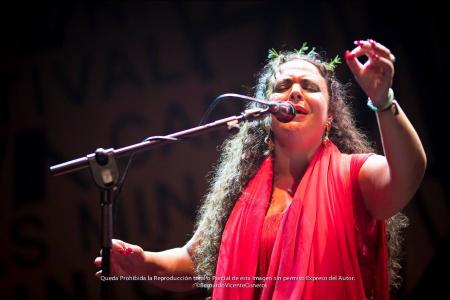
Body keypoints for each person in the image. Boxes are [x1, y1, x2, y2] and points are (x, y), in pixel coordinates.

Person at [94, 39, 426, 299]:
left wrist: (383, 100)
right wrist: (142, 265)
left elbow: (407, 174)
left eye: (309, 87)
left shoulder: (354, 174)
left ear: (329, 118)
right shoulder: (244, 190)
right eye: (283, 86)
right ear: (264, 113)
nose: (294, 90)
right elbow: (197, 264)